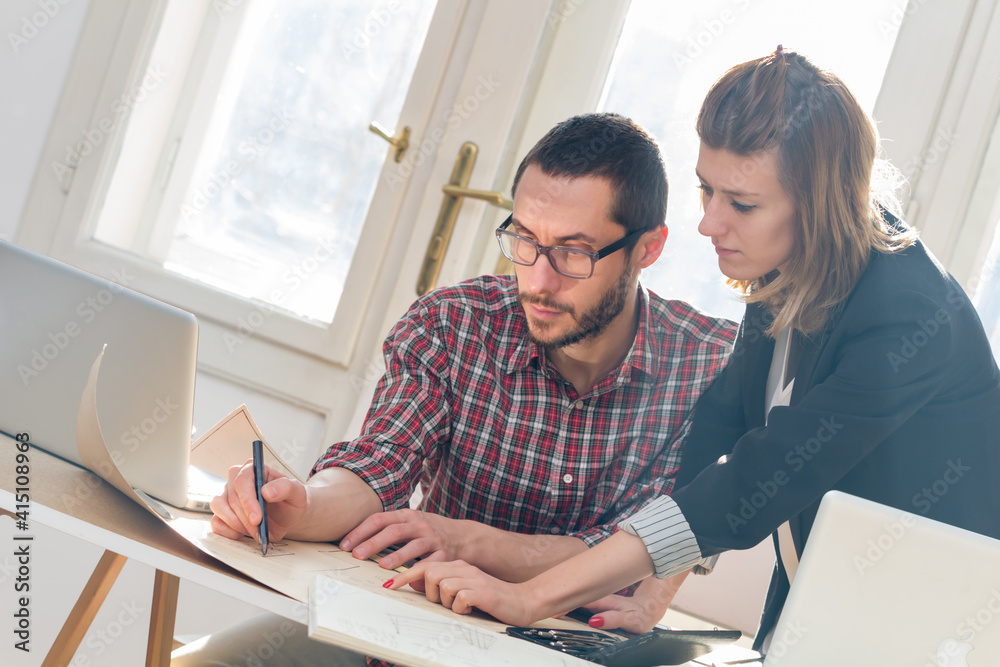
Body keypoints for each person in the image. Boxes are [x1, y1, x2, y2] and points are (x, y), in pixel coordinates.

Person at [386, 47, 1000, 655]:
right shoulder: (789, 257)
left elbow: (759, 478)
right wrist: (654, 595)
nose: (709, 223)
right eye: (708, 190)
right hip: (830, 595)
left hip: (942, 629)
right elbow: (722, 428)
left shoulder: (908, 314)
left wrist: (530, 598)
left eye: (742, 204)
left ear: (819, 202)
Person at [172, 112, 737, 666]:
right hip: (405, 632)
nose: (538, 281)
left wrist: (466, 542)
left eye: (573, 252)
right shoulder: (454, 323)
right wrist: (301, 507)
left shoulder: (710, 369)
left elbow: (638, 549)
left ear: (647, 249)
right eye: (524, 240)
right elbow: (380, 463)